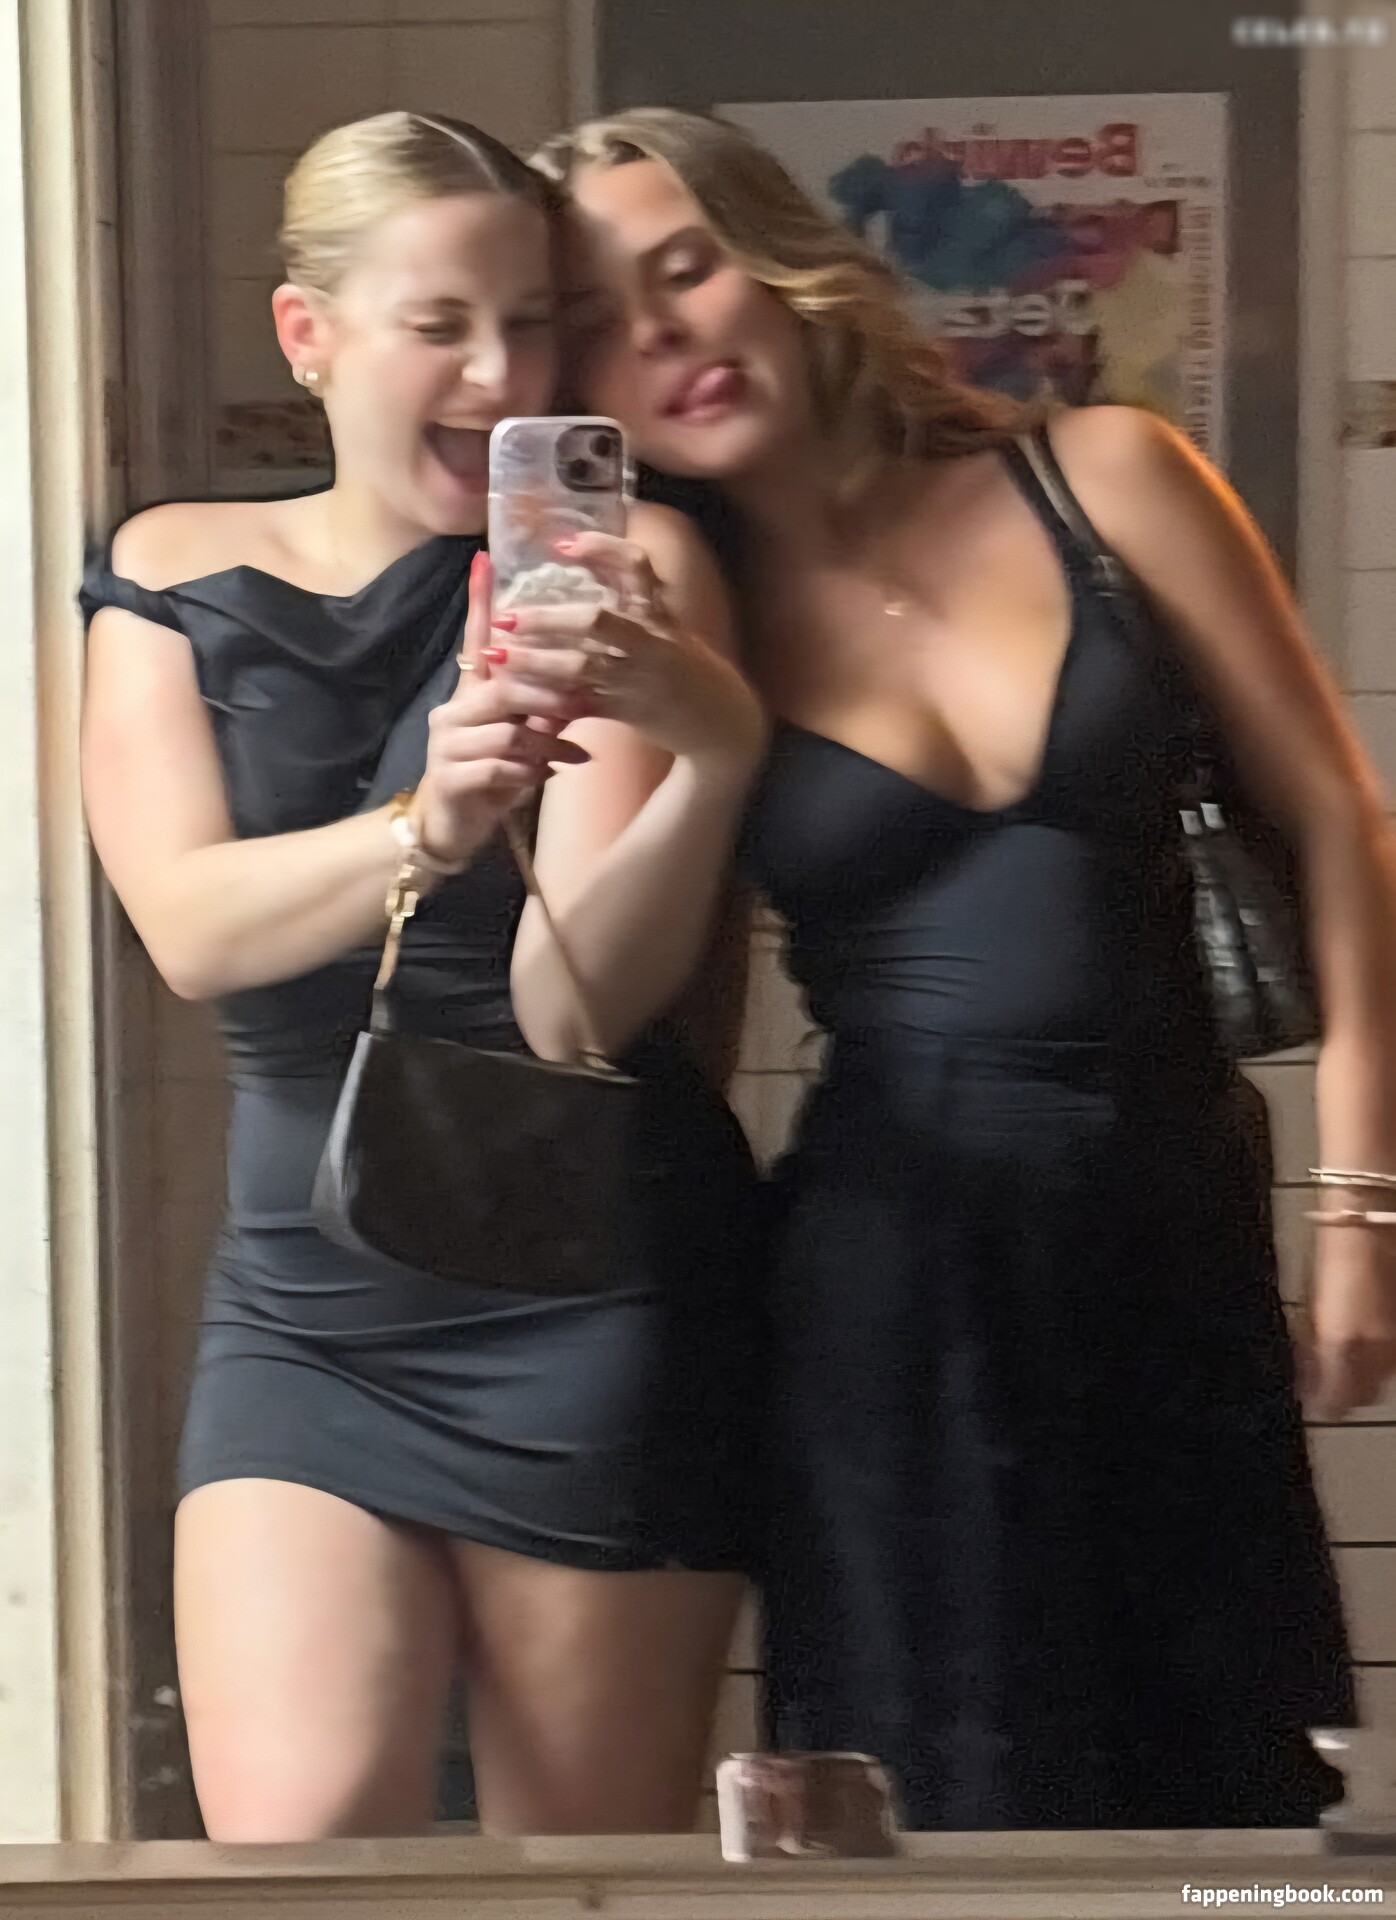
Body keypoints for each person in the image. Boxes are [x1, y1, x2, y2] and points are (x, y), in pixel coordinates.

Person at [536, 105, 1396, 1828]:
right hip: (890, 1279)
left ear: (782, 260)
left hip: (1176, 1225)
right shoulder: (681, 600)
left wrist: (1361, 1206)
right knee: (948, 1797)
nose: (666, 334)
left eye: (687, 268)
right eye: (600, 324)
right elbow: (577, 1000)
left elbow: (1342, 824)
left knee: (1237, 1796)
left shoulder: (1108, 475)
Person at [79, 111, 767, 1843]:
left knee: (583, 1864)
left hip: (592, 1293)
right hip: (306, 1312)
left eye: (531, 323)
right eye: (440, 325)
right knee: (296, 1846)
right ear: (308, 333)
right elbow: (191, 931)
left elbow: (570, 1002)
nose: (497, 375)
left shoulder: (631, 570)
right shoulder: (164, 574)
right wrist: (426, 823)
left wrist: (715, 759)